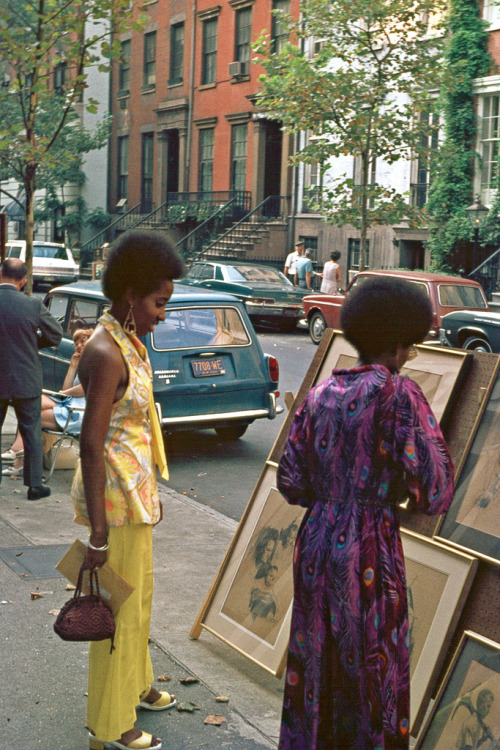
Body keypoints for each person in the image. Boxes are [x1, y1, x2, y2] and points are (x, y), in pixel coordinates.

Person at [276, 276, 455, 750]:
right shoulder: (399, 394)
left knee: (316, 665)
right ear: (399, 344)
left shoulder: (318, 395)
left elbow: (290, 481)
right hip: (369, 545)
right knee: (373, 670)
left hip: (315, 543)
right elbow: (435, 489)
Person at [70, 230, 185, 750]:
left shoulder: (125, 339)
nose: (164, 313)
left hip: (134, 499)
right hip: (113, 508)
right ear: (130, 296)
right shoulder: (106, 351)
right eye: (160, 303)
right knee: (116, 612)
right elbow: (90, 446)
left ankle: (136, 685)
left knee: (139, 602)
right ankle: (110, 724)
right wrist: (96, 533)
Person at [0, 258, 63, 500]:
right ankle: (35, 485)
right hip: (26, 376)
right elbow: (55, 334)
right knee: (31, 430)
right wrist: (30, 343)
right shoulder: (33, 305)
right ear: (24, 281)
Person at [2, 328, 93, 477]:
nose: (79, 345)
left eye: (83, 340)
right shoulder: (84, 362)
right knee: (30, 405)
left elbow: (83, 389)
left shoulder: (96, 362)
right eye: (76, 343)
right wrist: (73, 366)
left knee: (30, 415)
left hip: (79, 412)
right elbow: (67, 388)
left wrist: (64, 394)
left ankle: (19, 457)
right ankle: (18, 453)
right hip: (68, 404)